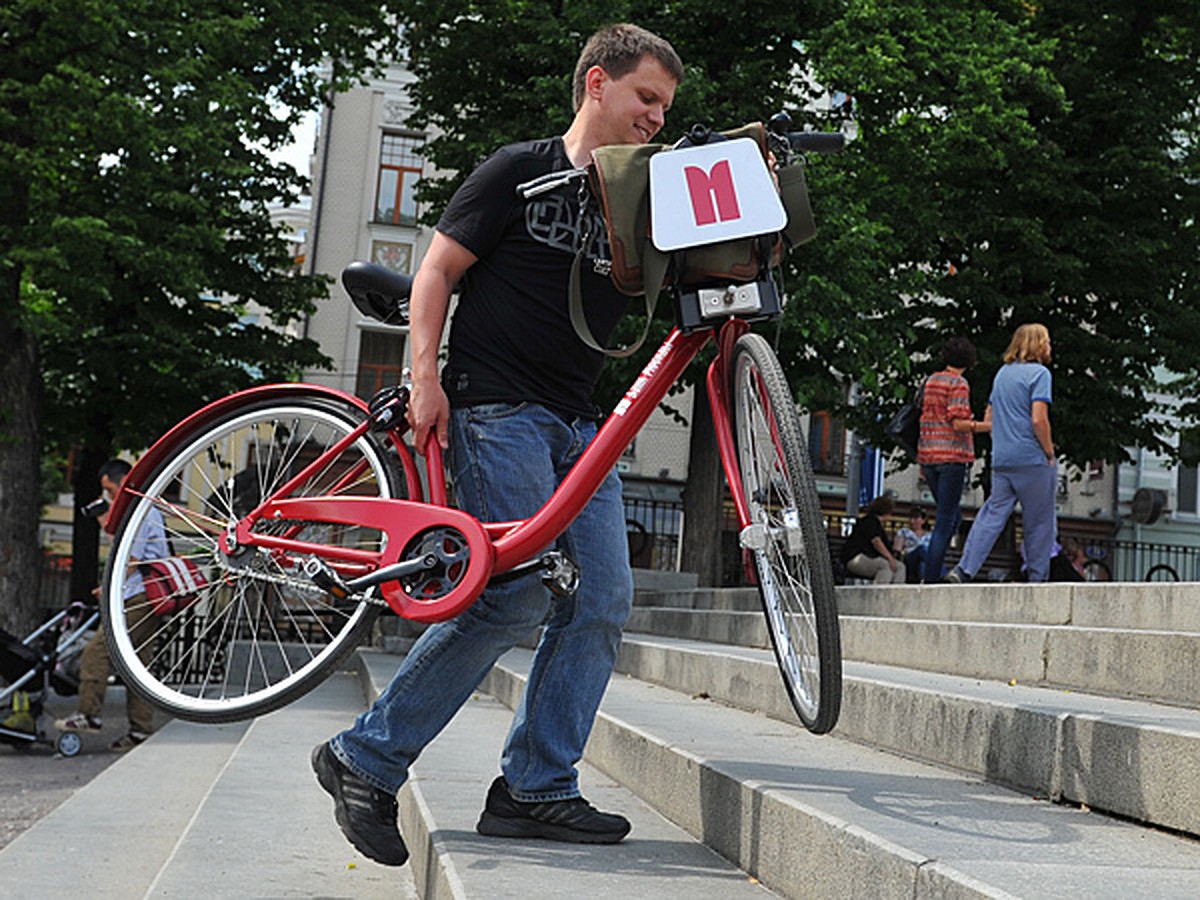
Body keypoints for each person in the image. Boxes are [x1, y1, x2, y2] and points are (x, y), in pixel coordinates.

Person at [310, 24, 685, 867]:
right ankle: (364, 759)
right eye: (646, 98)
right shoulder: (517, 170)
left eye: (666, 106)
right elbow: (437, 271)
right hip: (497, 410)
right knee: (510, 596)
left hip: (582, 426)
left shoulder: (639, 203)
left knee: (600, 601)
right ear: (597, 83)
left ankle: (533, 789)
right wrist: (426, 378)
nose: (657, 118)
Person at [54, 459, 168, 751]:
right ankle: (140, 730)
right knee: (137, 664)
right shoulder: (144, 510)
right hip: (147, 597)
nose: (110, 497)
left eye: (110, 489)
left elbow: (132, 560)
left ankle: (89, 715)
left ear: (123, 481)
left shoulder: (140, 512)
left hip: (139, 597)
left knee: (97, 651)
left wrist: (109, 588)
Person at [946, 323, 1057, 583]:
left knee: (992, 514)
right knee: (1039, 522)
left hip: (1003, 459)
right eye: (1047, 341)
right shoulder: (1040, 374)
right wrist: (1049, 452)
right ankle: (1037, 578)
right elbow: (1039, 419)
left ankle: (964, 570)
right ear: (1037, 344)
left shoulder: (1002, 374)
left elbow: (990, 417)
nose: (1050, 346)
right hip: (1032, 457)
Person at [917, 336, 988, 583]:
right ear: (969, 360)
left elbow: (926, 417)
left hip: (929, 456)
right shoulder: (959, 384)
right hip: (951, 457)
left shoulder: (931, 381)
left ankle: (934, 567)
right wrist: (984, 426)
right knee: (946, 519)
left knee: (951, 516)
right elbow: (958, 423)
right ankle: (931, 577)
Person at [841, 494, 906, 584]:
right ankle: (879, 595)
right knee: (885, 566)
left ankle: (895, 594)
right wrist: (890, 558)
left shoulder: (877, 524)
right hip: (854, 557)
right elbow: (876, 541)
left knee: (900, 567)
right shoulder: (870, 522)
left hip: (867, 558)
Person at [893, 508, 931, 584]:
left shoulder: (929, 536)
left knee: (922, 563)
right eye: (911, 518)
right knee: (922, 549)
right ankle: (942, 572)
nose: (912, 521)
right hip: (910, 559)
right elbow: (897, 550)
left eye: (916, 518)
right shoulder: (904, 531)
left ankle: (923, 583)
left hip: (924, 562)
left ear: (923, 520)